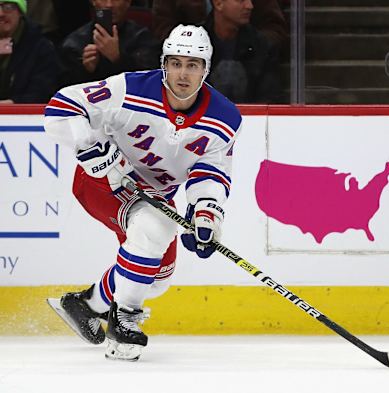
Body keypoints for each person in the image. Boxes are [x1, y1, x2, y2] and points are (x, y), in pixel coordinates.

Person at [44, 24, 241, 361]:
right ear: (164, 63)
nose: (182, 73)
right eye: (176, 63)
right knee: (157, 229)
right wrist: (89, 145)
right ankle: (124, 319)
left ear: (205, 69)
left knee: (157, 277)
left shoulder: (224, 118)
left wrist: (206, 213)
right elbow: (61, 106)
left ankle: (86, 305)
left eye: (192, 65)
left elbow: (211, 171)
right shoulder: (129, 88)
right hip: (104, 181)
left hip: (154, 197)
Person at [59, 0, 161, 86]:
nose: (109, 5)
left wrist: (118, 58)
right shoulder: (74, 44)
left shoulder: (143, 37)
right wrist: (85, 71)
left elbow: (151, 82)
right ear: (93, 1)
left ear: (128, 2)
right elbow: (63, 91)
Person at [203, 0, 282, 103]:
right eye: (241, 0)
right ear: (218, 4)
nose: (250, 6)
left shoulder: (262, 46)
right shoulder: (193, 43)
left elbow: (269, 98)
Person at [152, 0, 288, 50]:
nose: (249, 5)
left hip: (249, 64)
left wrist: (249, 48)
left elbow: (274, 29)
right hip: (188, 61)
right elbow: (162, 29)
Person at [0, 0, 60, 103]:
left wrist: (12, 104)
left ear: (20, 11)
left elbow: (42, 94)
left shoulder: (41, 48)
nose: (0, 14)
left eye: (8, 7)